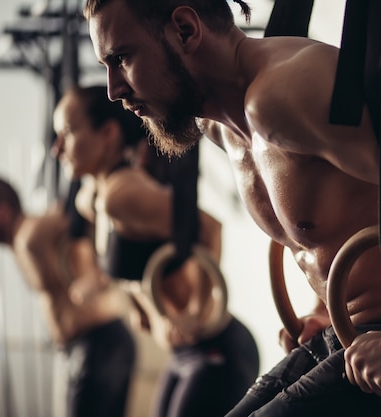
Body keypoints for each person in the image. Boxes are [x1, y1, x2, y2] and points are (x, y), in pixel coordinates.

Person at [83, 1, 381, 416]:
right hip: (359, 337)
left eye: (121, 58)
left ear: (185, 29)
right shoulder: (222, 127)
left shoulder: (283, 92)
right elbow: (337, 218)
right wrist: (324, 305)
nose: (112, 90)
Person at [51, 84, 260, 417]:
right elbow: (133, 264)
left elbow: (208, 227)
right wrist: (140, 308)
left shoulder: (121, 195)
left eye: (67, 132)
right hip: (181, 355)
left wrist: (198, 310)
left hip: (216, 349)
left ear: (108, 133)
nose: (56, 148)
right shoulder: (90, 199)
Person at [0, 177, 136, 417]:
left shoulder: (31, 235)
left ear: (2, 213)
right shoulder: (22, 241)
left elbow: (73, 216)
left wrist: (97, 277)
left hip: (100, 347)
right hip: (86, 350)